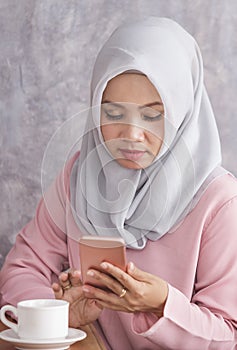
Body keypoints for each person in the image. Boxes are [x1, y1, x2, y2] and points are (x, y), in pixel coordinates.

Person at [0, 17, 237, 350]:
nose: (132, 136)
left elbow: (228, 334)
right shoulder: (80, 175)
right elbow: (24, 267)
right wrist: (61, 316)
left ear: (184, 111)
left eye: (153, 116)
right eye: (112, 114)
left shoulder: (219, 200)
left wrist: (160, 304)